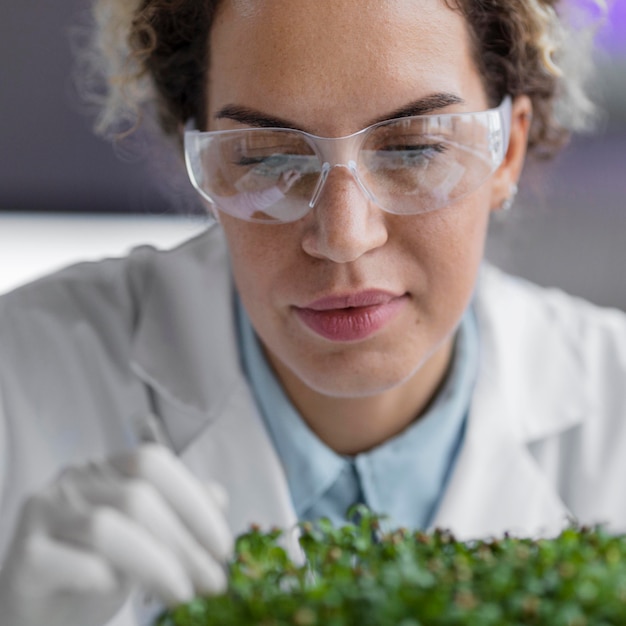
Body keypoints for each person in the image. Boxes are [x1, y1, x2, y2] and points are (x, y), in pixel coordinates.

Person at [0, 0, 620, 625]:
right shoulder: (20, 384)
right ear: (204, 170)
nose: (344, 236)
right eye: (268, 158)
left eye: (412, 149)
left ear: (506, 151)